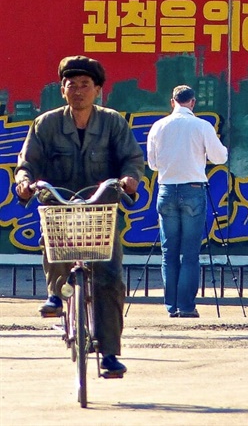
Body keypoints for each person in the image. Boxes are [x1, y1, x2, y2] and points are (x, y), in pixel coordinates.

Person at [14, 55, 145, 376]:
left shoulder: (113, 122)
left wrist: (130, 179)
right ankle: (57, 294)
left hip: (101, 208)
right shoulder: (45, 124)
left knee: (110, 279)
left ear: (98, 90)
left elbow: (132, 159)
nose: (78, 91)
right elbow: (27, 163)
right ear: (62, 90)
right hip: (60, 206)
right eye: (71, 85)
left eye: (85, 85)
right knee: (53, 237)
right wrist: (24, 182)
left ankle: (110, 354)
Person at [147, 85, 228, 318]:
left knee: (168, 252)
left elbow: (152, 164)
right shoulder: (202, 126)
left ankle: (171, 306)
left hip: (165, 189)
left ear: (172, 102)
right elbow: (219, 157)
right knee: (190, 253)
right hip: (193, 189)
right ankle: (187, 306)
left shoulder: (158, 126)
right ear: (192, 102)